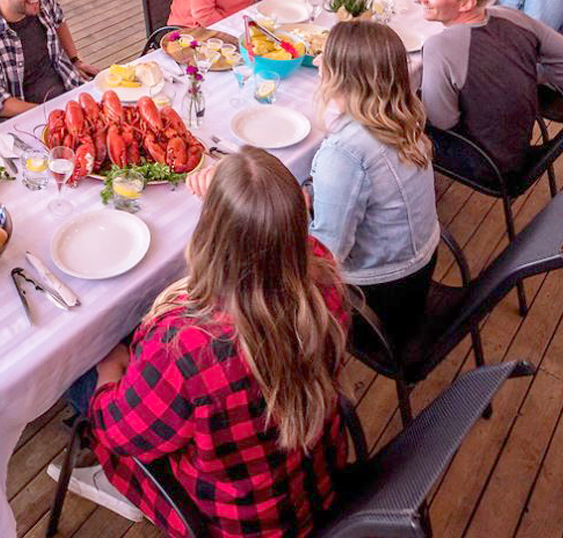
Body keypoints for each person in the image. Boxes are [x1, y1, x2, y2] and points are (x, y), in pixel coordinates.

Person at [69, 147, 351, 537]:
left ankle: (99, 472)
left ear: (210, 233)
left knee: (80, 377)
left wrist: (109, 370)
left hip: (234, 524)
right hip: (319, 489)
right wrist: (241, 184)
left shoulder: (188, 342)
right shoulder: (323, 272)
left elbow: (121, 432)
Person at [309, 20, 440, 344]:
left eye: (323, 59)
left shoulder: (344, 151)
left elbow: (326, 256)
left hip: (376, 302)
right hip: (418, 268)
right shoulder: (401, 114)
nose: (316, 63)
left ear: (340, 76)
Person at [418, 0, 563, 175]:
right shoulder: (511, 16)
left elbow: (441, 122)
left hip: (483, 162)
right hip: (518, 145)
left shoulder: (440, 47)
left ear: (466, 4)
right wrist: (525, 83)